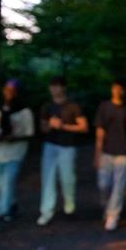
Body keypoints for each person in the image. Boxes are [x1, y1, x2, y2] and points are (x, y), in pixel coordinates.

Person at [0, 79, 35, 233]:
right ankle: (11, 204)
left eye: (12, 90)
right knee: (0, 184)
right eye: (7, 89)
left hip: (15, 152)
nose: (9, 93)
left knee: (7, 181)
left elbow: (29, 133)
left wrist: (14, 138)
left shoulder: (24, 112)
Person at [37, 76, 88, 226]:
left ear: (63, 88)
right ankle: (46, 211)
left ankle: (69, 207)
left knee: (67, 178)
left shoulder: (73, 106)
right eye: (51, 86)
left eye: (56, 86)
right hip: (50, 145)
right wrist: (50, 126)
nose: (53, 89)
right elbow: (43, 128)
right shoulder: (47, 106)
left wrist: (63, 126)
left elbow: (83, 127)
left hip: (68, 146)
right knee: (47, 178)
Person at [94, 79, 126, 231]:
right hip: (106, 151)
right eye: (114, 88)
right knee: (103, 184)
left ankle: (113, 215)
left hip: (123, 153)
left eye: (119, 88)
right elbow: (100, 131)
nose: (116, 91)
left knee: (119, 186)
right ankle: (106, 207)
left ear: (123, 91)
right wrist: (97, 153)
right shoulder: (104, 107)